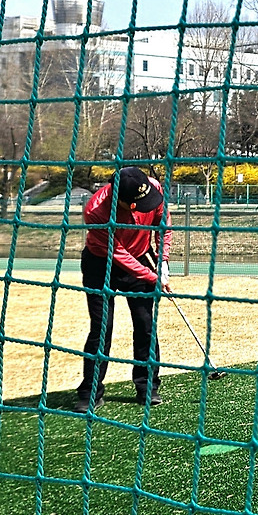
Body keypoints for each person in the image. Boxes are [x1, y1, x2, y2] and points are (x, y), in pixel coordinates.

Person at [74, 167, 172, 413]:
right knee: (101, 327)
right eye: (137, 205)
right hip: (101, 265)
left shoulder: (152, 188)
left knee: (145, 324)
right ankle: (90, 391)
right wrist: (153, 277)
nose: (144, 207)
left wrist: (163, 262)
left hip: (141, 256)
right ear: (121, 200)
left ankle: (147, 386)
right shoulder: (95, 211)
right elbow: (118, 254)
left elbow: (163, 225)